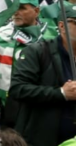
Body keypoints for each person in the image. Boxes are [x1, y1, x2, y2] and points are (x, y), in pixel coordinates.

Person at [0, 0, 47, 134]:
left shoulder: (51, 36)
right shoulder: (0, 37)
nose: (16, 12)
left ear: (36, 11)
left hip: (44, 109)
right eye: (14, 7)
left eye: (22, 8)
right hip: (11, 111)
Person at [8, 14, 76, 146]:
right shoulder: (37, 51)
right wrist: (61, 93)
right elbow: (18, 89)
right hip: (42, 137)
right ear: (62, 26)